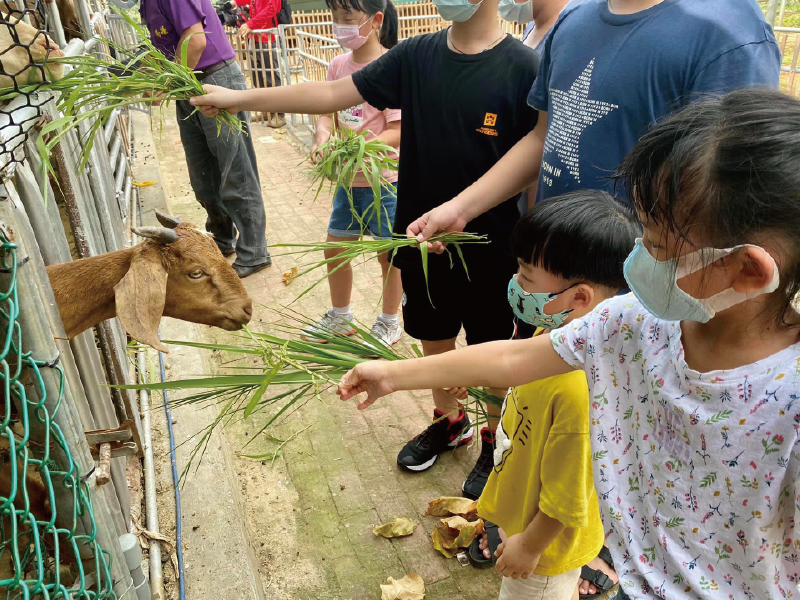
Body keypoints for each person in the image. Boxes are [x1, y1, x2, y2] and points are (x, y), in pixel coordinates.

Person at [337, 88, 800, 600]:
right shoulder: (634, 321)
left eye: (658, 246)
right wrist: (394, 375)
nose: (636, 259)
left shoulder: (788, 399)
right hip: (635, 575)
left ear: (747, 269)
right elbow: (513, 357)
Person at [190, 0, 540, 498]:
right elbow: (333, 92)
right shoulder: (416, 55)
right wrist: (235, 98)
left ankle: (493, 439)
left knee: (491, 351)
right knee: (432, 336)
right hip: (417, 239)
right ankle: (450, 420)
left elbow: (532, 164)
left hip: (491, 248)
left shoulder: (524, 68)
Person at [405, 0, 780, 249]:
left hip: (641, 305)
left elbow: (732, 199)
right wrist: (460, 208)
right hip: (556, 275)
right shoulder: (575, 20)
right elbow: (544, 138)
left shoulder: (727, 34)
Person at [466, 190, 639, 600]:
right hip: (523, 518)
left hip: (544, 554)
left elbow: (566, 500)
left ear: (579, 298)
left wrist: (529, 547)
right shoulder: (557, 337)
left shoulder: (579, 390)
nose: (516, 282)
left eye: (526, 276)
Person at [139, 0, 271, 278]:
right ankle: (222, 239)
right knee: (203, 177)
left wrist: (164, 85)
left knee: (235, 171)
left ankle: (254, 251)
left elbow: (195, 40)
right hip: (187, 85)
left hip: (215, 79)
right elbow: (163, 46)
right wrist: (145, 80)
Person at [299, 0, 403, 347]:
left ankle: (389, 321)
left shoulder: (390, 67)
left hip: (383, 181)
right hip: (348, 181)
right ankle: (340, 318)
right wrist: (324, 139)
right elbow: (326, 113)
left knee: (388, 255)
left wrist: (361, 149)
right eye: (335, 17)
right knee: (336, 249)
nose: (338, 25)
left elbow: (397, 129)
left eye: (348, 18)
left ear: (375, 21)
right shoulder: (338, 65)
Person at [238, 0, 286, 127]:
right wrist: (232, 3)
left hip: (267, 36)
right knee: (257, 77)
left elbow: (272, 9)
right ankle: (267, 110)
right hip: (254, 37)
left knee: (271, 77)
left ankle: (280, 114)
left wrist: (251, 24)